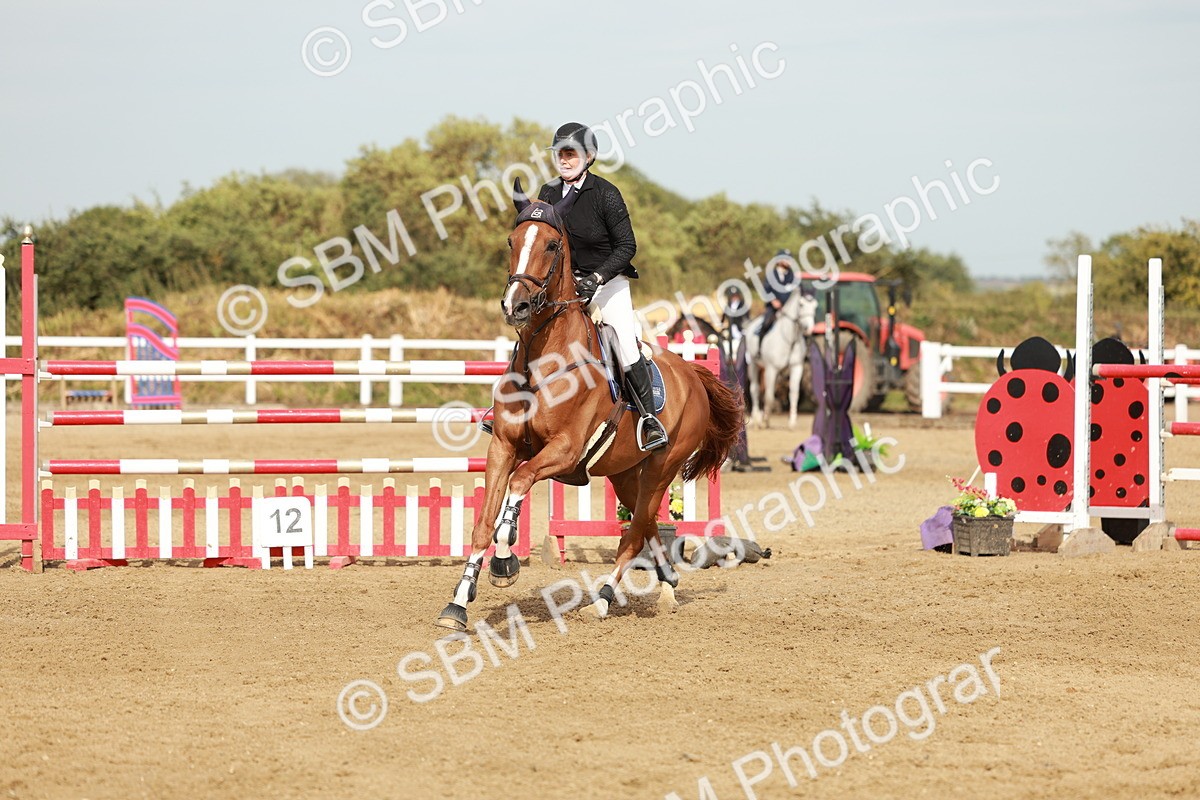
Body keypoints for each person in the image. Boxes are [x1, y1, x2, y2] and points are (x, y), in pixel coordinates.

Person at [535, 122, 667, 451]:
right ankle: (509, 403)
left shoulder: (606, 194)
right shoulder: (548, 193)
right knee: (533, 331)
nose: (564, 160)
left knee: (624, 342)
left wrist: (597, 278)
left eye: (571, 154)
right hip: (564, 286)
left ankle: (650, 420)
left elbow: (626, 246)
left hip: (607, 282)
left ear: (589, 157)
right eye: (560, 154)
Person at [758, 249, 797, 338]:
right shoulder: (771, 274)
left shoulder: (792, 276)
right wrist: (773, 301)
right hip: (773, 308)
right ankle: (760, 343)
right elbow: (766, 290)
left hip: (789, 308)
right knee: (766, 322)